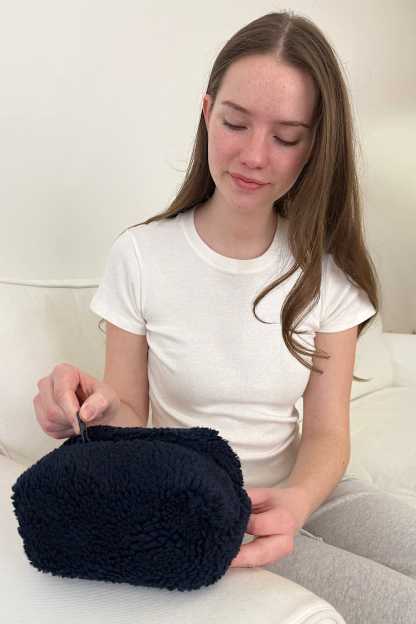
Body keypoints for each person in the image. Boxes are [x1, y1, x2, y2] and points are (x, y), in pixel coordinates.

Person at [33, 10, 416, 623]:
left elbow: (327, 433)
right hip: (209, 508)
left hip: (314, 491)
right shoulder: (142, 255)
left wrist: (297, 500)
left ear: (314, 146)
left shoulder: (326, 271)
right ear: (207, 113)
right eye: (236, 123)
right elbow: (127, 414)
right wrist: (88, 407)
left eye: (286, 137)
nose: (254, 155)